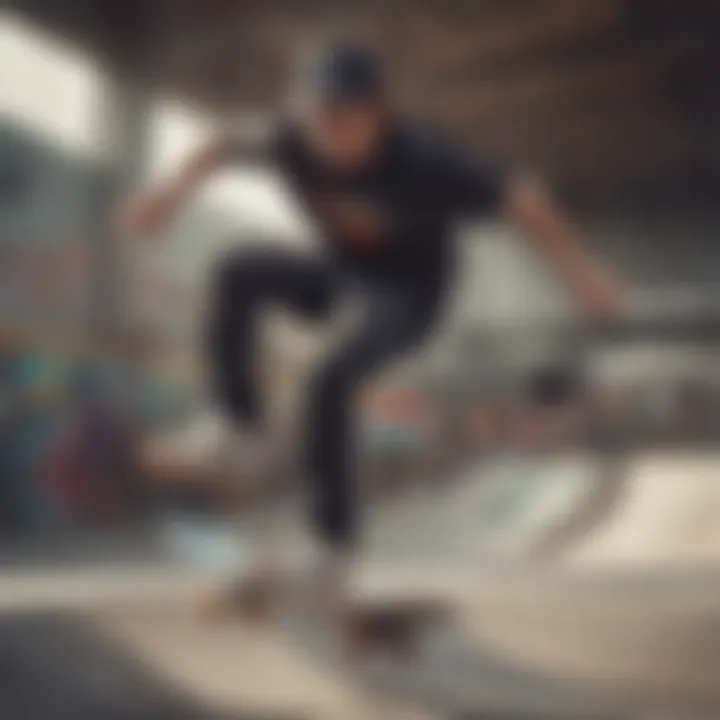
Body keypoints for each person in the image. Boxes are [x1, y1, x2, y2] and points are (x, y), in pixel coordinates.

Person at [118, 41, 624, 629]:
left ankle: (331, 549)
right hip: (339, 275)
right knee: (240, 269)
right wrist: (166, 197)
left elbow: (524, 198)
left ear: (379, 112)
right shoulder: (291, 139)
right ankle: (239, 426)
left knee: (332, 378)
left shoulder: (426, 159)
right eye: (320, 121)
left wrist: (580, 274)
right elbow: (217, 146)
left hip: (408, 296)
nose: (331, 137)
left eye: (346, 121)